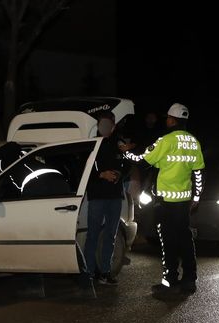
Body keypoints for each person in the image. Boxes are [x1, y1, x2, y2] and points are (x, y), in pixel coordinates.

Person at [124, 103, 204, 296]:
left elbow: (144, 161)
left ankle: (170, 281)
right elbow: (199, 172)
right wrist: (197, 196)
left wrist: (125, 153)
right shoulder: (193, 141)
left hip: (166, 201)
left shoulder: (166, 141)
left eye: (167, 117)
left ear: (172, 120)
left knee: (167, 241)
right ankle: (190, 280)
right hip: (184, 201)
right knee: (185, 239)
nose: (166, 120)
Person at [83, 111, 127, 285]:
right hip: (97, 196)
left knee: (110, 234)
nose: (106, 128)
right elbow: (83, 170)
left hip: (115, 197)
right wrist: (101, 175)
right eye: (103, 124)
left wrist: (118, 173)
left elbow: (127, 164)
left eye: (109, 125)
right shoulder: (91, 144)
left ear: (113, 126)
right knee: (93, 234)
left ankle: (106, 272)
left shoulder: (118, 144)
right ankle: (89, 272)